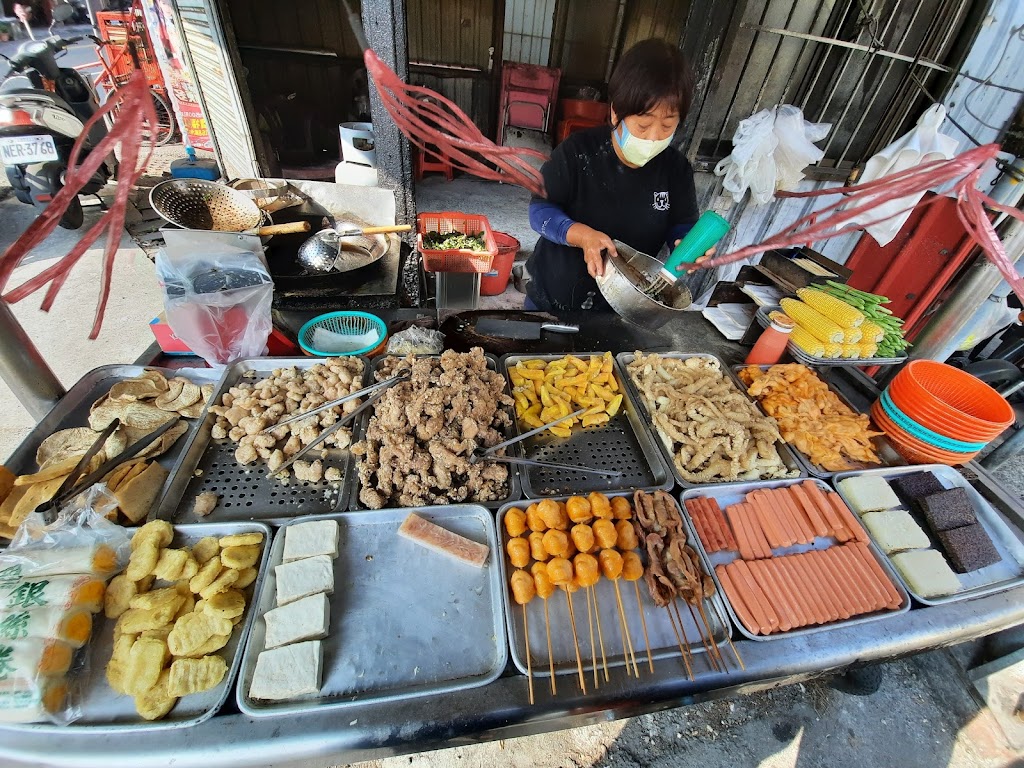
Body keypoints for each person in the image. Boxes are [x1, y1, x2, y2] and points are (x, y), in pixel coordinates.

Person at [525, 39, 706, 312]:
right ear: (615, 112)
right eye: (643, 125)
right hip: (552, 300)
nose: (654, 137)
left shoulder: (676, 169)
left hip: (623, 309)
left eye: (667, 126)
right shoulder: (577, 152)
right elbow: (539, 212)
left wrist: (690, 245)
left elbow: (681, 224)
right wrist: (581, 235)